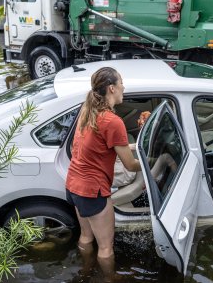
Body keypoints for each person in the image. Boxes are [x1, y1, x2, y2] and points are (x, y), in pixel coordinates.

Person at [65, 67, 140, 280]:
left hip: (74, 186)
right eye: (122, 82)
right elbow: (130, 165)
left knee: (86, 237)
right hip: (93, 190)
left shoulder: (87, 110)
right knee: (106, 247)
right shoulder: (113, 121)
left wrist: (130, 147)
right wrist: (147, 163)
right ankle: (110, 277)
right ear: (112, 88)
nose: (124, 87)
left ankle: (85, 271)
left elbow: (99, 144)